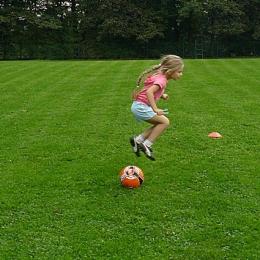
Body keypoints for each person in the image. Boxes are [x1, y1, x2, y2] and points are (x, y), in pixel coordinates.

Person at [130, 55, 184, 161]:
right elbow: (149, 91)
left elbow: (152, 89)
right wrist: (155, 108)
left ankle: (138, 140)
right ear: (169, 72)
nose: (181, 74)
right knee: (165, 122)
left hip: (138, 105)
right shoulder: (162, 80)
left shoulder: (159, 76)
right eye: (179, 72)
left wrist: (162, 95)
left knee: (158, 124)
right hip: (141, 106)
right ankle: (147, 144)